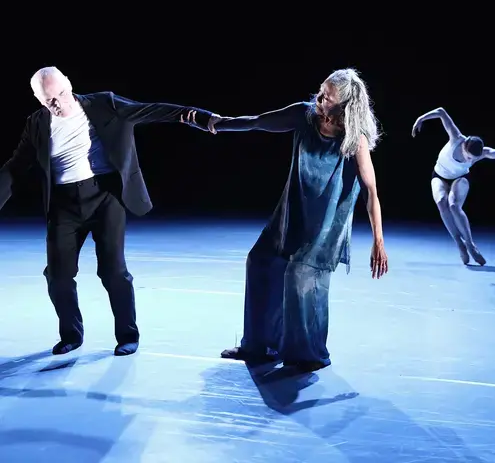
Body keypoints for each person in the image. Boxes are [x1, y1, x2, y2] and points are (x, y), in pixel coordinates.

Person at [0, 66, 214, 356]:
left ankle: (128, 334)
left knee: (113, 272)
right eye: (50, 100)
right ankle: (71, 335)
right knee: (58, 276)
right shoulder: (36, 123)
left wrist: (195, 116)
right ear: (38, 99)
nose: (59, 104)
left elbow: (150, 110)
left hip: (105, 197)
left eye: (62, 94)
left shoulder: (104, 104)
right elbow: (15, 167)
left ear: (69, 85)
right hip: (63, 205)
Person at [203, 68, 388, 372]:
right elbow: (258, 122)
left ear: (342, 105)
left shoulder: (355, 139)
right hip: (294, 208)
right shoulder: (304, 116)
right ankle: (260, 345)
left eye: (327, 96)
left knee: (302, 274)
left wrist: (378, 241)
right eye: (321, 90)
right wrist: (219, 124)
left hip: (327, 220)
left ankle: (309, 354)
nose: (319, 98)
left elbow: (371, 190)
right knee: (261, 260)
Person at [412, 107, 495, 265]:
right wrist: (421, 119)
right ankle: (460, 244)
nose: (469, 160)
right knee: (441, 203)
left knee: (454, 205)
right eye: (468, 157)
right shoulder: (456, 138)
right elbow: (441, 112)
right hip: (439, 175)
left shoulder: (481, 153)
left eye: (473, 159)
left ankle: (471, 244)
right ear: (464, 145)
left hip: (460, 178)